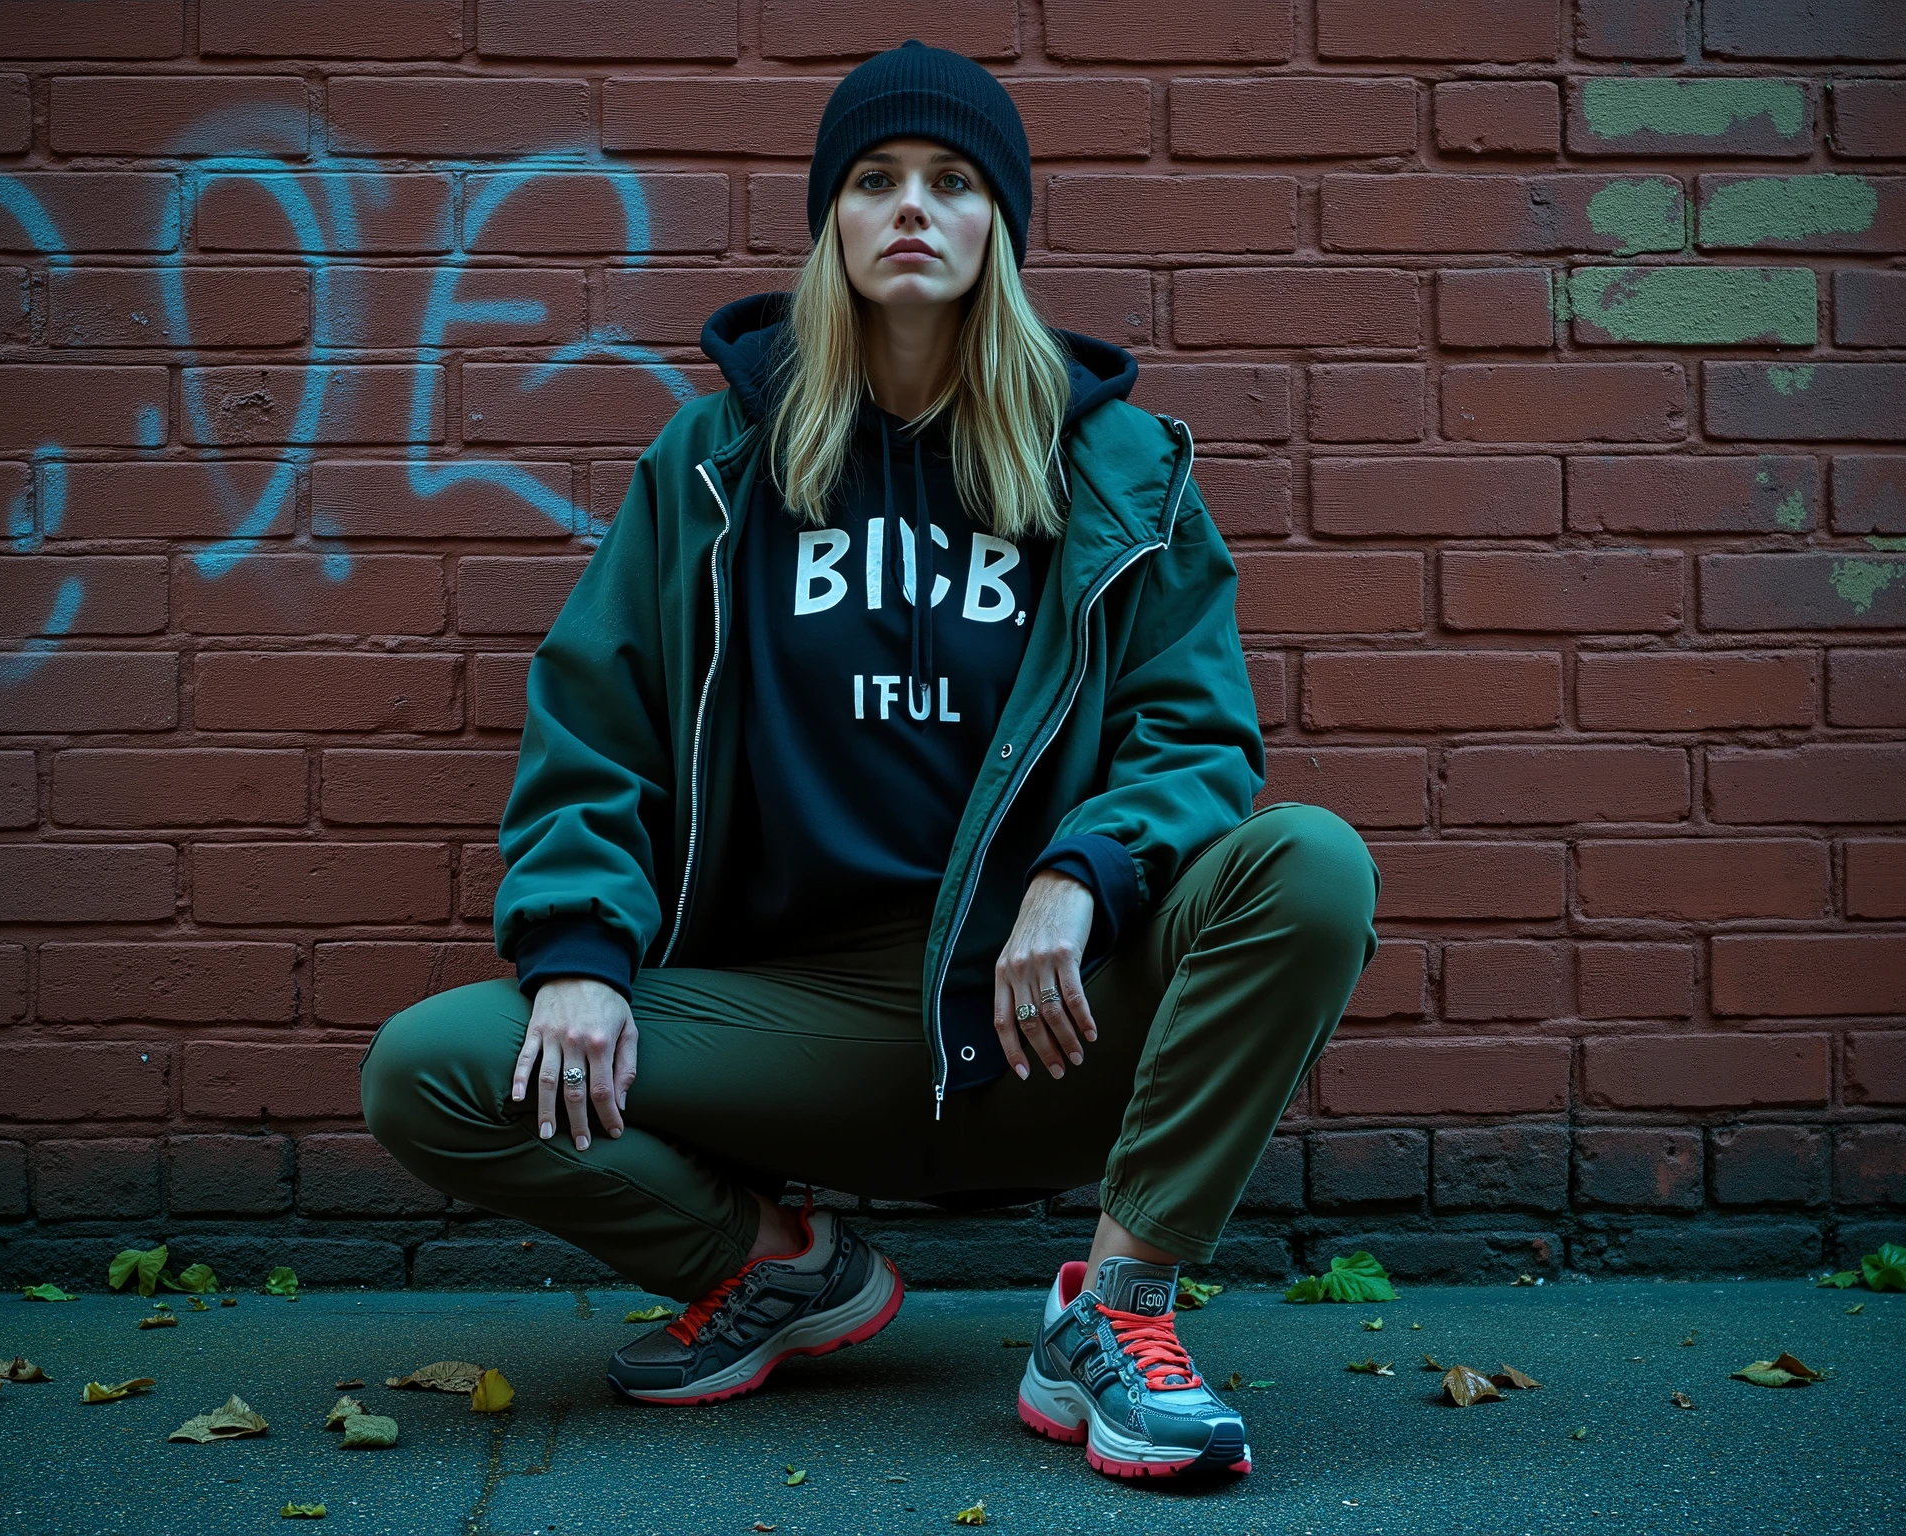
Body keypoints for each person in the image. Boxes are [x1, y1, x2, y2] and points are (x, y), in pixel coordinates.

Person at [362, 39, 1379, 1482]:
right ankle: (780, 1267)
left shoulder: (1119, 471)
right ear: (830, 221)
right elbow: (597, 724)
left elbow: (1195, 732)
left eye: (952, 181)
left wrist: (1079, 877)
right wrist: (582, 947)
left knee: (1314, 867)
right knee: (432, 1071)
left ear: (998, 226)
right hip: (795, 1029)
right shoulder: (715, 467)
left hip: (1050, 1016)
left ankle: (1116, 1313)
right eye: (875, 179)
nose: (912, 206)